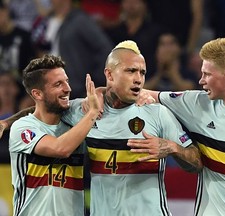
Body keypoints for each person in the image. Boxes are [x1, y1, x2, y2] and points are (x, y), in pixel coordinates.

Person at [128, 37, 225, 215]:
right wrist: (102, 94)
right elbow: (144, 93)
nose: (201, 80)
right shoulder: (196, 103)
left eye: (207, 74)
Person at [61, 40, 202, 215]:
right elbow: (39, 113)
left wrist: (172, 148)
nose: (138, 79)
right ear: (110, 75)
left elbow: (197, 162)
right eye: (131, 71)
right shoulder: (86, 110)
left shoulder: (156, 113)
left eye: (142, 73)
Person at [9, 54, 100, 216]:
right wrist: (93, 112)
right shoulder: (23, 128)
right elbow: (60, 148)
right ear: (37, 94)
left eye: (67, 81)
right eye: (58, 84)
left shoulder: (76, 126)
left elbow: (107, 95)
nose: (67, 89)